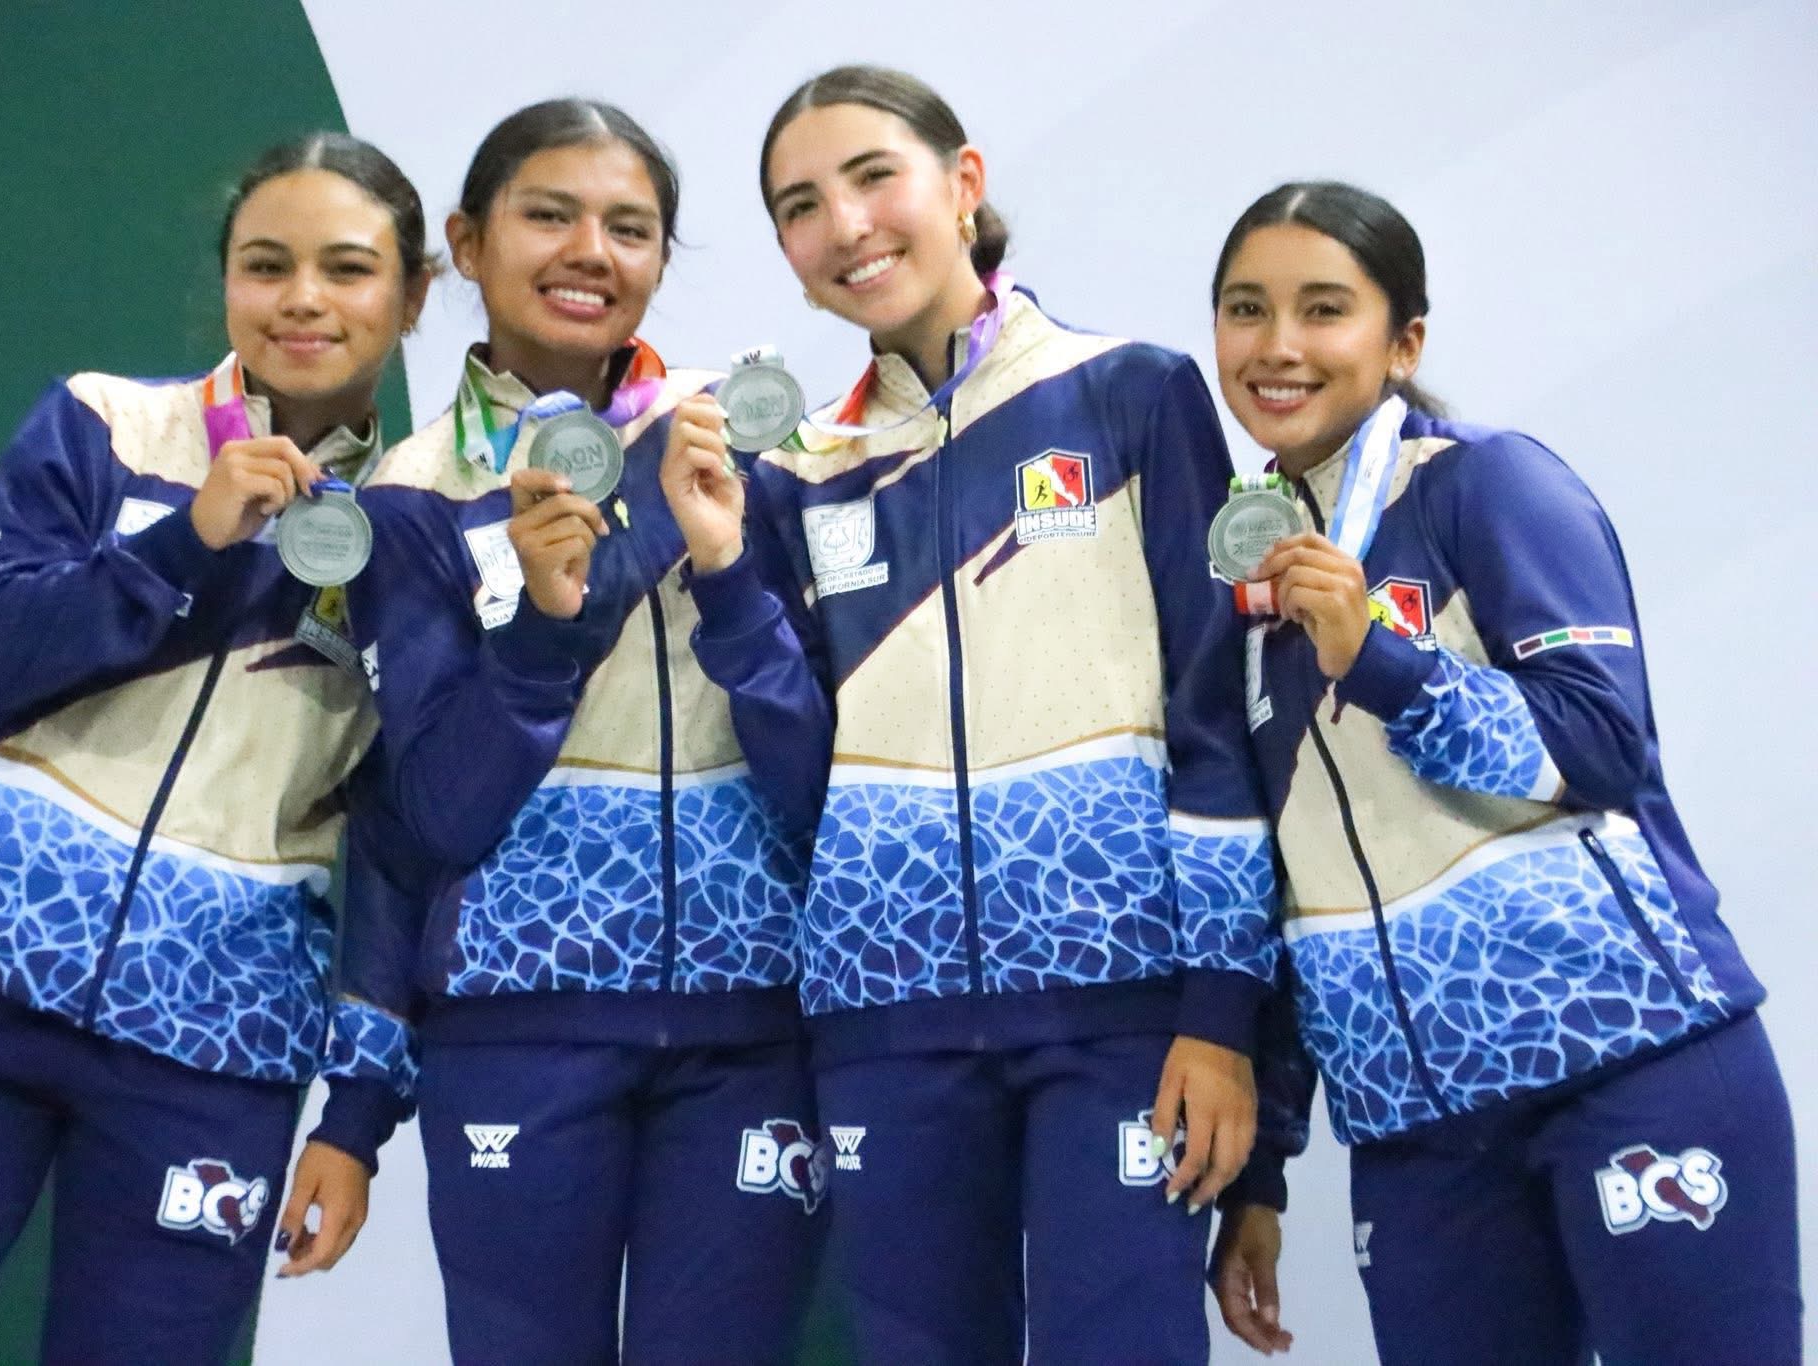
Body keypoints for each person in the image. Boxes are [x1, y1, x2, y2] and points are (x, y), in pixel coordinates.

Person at [0, 131, 435, 1364]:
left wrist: (357, 1105)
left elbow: (407, 840)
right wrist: (186, 541)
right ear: (226, 280)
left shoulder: (420, 523)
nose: (301, 298)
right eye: (266, 265)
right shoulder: (105, 422)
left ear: (410, 296)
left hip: (212, 1036)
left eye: (348, 269)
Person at [661, 65, 1278, 1363]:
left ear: (963, 183)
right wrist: (722, 567)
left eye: (871, 176)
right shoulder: (801, 475)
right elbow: (798, 779)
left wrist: (1222, 1017)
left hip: (1120, 1009)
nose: (844, 224)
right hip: (884, 1024)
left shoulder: (1129, 392)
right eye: (799, 206)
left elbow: (1216, 718)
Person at [1205, 179, 1802, 1363]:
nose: (1276, 345)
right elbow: (1275, 893)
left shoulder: (1483, 483)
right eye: (1244, 309)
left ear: (1402, 340)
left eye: (1322, 308)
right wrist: (1261, 1167)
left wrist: (1379, 659)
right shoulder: (1238, 582)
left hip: (1622, 1056)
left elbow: (1601, 744)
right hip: (1418, 1133)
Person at [348, 98, 822, 1363]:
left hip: (750, 1027)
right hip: (517, 1032)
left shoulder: (755, 448)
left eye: (629, 227)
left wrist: (714, 552)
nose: (589, 253)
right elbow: (435, 813)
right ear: (466, 242)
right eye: (548, 215)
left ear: (662, 257)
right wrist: (550, 624)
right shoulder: (412, 494)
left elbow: (825, 772)